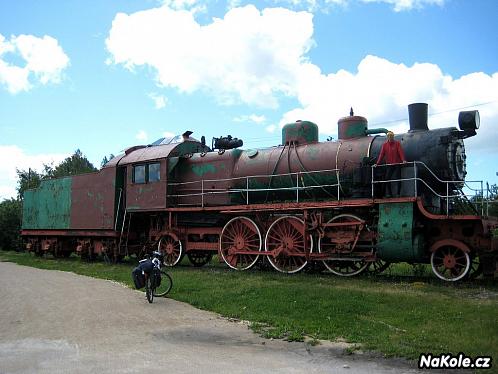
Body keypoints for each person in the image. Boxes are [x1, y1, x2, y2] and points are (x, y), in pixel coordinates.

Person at [374, 131, 407, 197]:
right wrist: (377, 163)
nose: (390, 137)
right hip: (389, 164)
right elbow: (381, 155)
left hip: (397, 163)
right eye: (389, 136)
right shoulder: (385, 145)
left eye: (391, 136)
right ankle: (389, 194)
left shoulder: (397, 144)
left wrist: (403, 160)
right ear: (387, 137)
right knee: (387, 178)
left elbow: (400, 152)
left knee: (398, 178)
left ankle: (398, 193)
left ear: (393, 137)